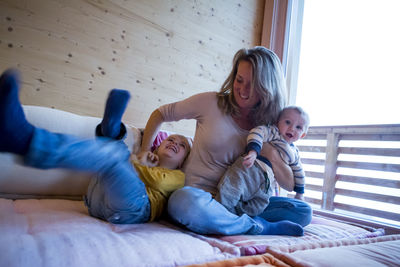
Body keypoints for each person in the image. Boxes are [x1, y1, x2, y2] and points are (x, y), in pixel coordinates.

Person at [139, 46, 312, 236]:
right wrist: (144, 149)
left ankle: (230, 221)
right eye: (239, 80)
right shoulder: (210, 102)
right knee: (181, 201)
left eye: (252, 85)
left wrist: (270, 153)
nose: (243, 91)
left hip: (244, 204)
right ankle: (257, 227)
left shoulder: (270, 126)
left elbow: (289, 185)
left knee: (303, 212)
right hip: (199, 198)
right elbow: (161, 114)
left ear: (267, 87)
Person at [0, 69, 190, 224]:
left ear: (182, 162)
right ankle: (111, 130)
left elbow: (158, 183)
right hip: (97, 202)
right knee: (117, 153)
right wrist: (139, 160)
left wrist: (139, 162)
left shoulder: (179, 176)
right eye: (171, 139)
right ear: (157, 147)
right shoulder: (143, 158)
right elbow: (131, 168)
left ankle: (23, 139)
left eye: (182, 145)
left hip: (135, 209)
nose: (175, 143)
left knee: (115, 156)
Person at [215, 106, 309, 217]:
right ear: (277, 122)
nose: (292, 129)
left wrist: (300, 194)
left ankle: (237, 220)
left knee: (257, 207)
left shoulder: (294, 153)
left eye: (298, 127)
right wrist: (254, 151)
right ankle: (218, 215)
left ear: (303, 135)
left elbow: (299, 172)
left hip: (267, 183)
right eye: (287, 122)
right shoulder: (274, 132)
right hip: (251, 168)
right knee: (229, 193)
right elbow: (258, 132)